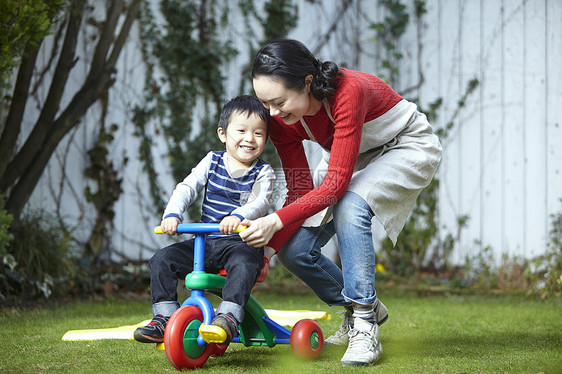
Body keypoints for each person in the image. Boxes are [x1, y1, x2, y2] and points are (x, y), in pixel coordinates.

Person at [240, 39, 442, 366]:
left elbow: (334, 188)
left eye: (278, 102)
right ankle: (361, 307)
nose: (272, 114)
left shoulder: (348, 91)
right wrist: (267, 251)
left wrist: (274, 221)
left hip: (406, 145)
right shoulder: (281, 121)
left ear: (307, 82)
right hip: (349, 157)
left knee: (349, 203)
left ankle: (364, 323)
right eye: (266, 104)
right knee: (295, 250)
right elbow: (300, 190)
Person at [134, 95, 275, 345]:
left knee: (244, 264)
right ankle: (164, 318)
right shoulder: (212, 160)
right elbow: (187, 188)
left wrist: (238, 216)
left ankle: (228, 317)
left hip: (240, 242)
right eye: (241, 130)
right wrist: (173, 214)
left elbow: (260, 201)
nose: (249, 139)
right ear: (223, 134)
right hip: (206, 243)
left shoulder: (263, 171)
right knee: (161, 260)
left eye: (259, 133)